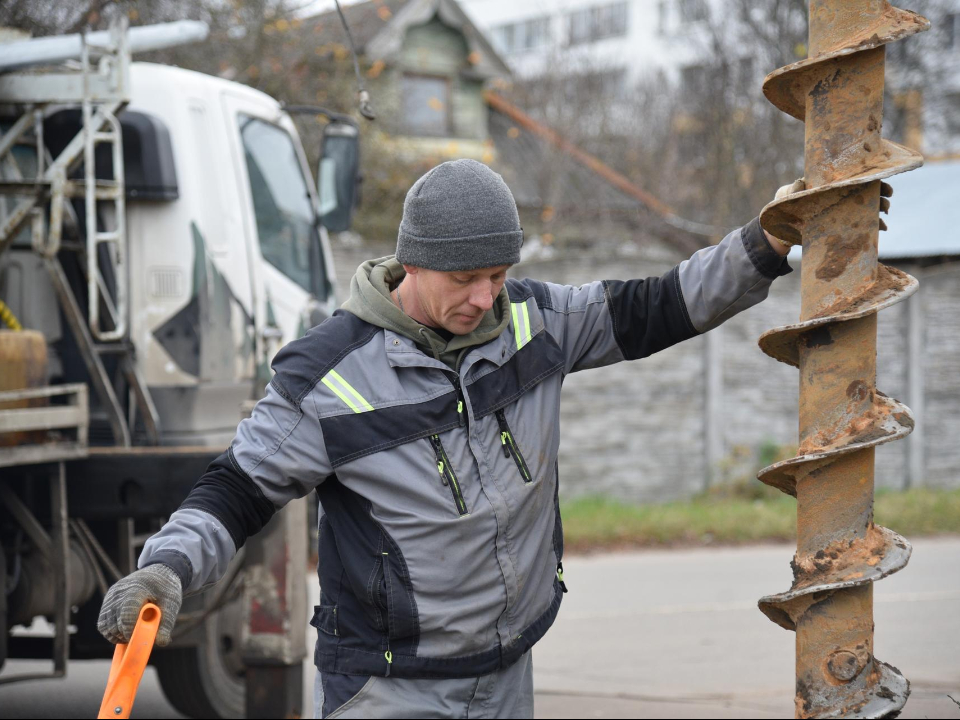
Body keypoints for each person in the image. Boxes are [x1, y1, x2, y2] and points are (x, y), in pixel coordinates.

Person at [98, 158, 795, 718]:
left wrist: (765, 244)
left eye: (499, 276)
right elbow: (235, 490)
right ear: (414, 264)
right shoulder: (332, 376)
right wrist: (167, 568)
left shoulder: (536, 322)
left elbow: (662, 304)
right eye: (466, 279)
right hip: (386, 689)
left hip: (506, 676)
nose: (486, 298)